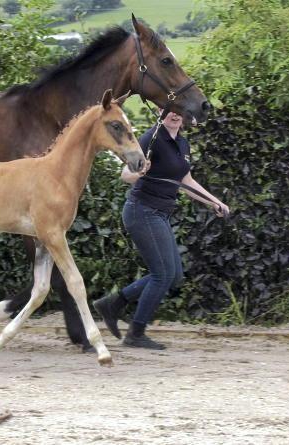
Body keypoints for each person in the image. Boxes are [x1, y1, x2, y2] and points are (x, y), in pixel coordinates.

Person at [93, 109, 230, 349]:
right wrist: (139, 171)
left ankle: (113, 304)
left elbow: (186, 182)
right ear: (159, 111)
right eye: (169, 110)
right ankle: (135, 334)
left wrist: (214, 202)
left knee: (173, 275)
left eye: (179, 111)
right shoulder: (152, 138)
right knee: (162, 275)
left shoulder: (182, 143)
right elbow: (125, 174)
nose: (175, 115)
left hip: (160, 213)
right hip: (142, 210)